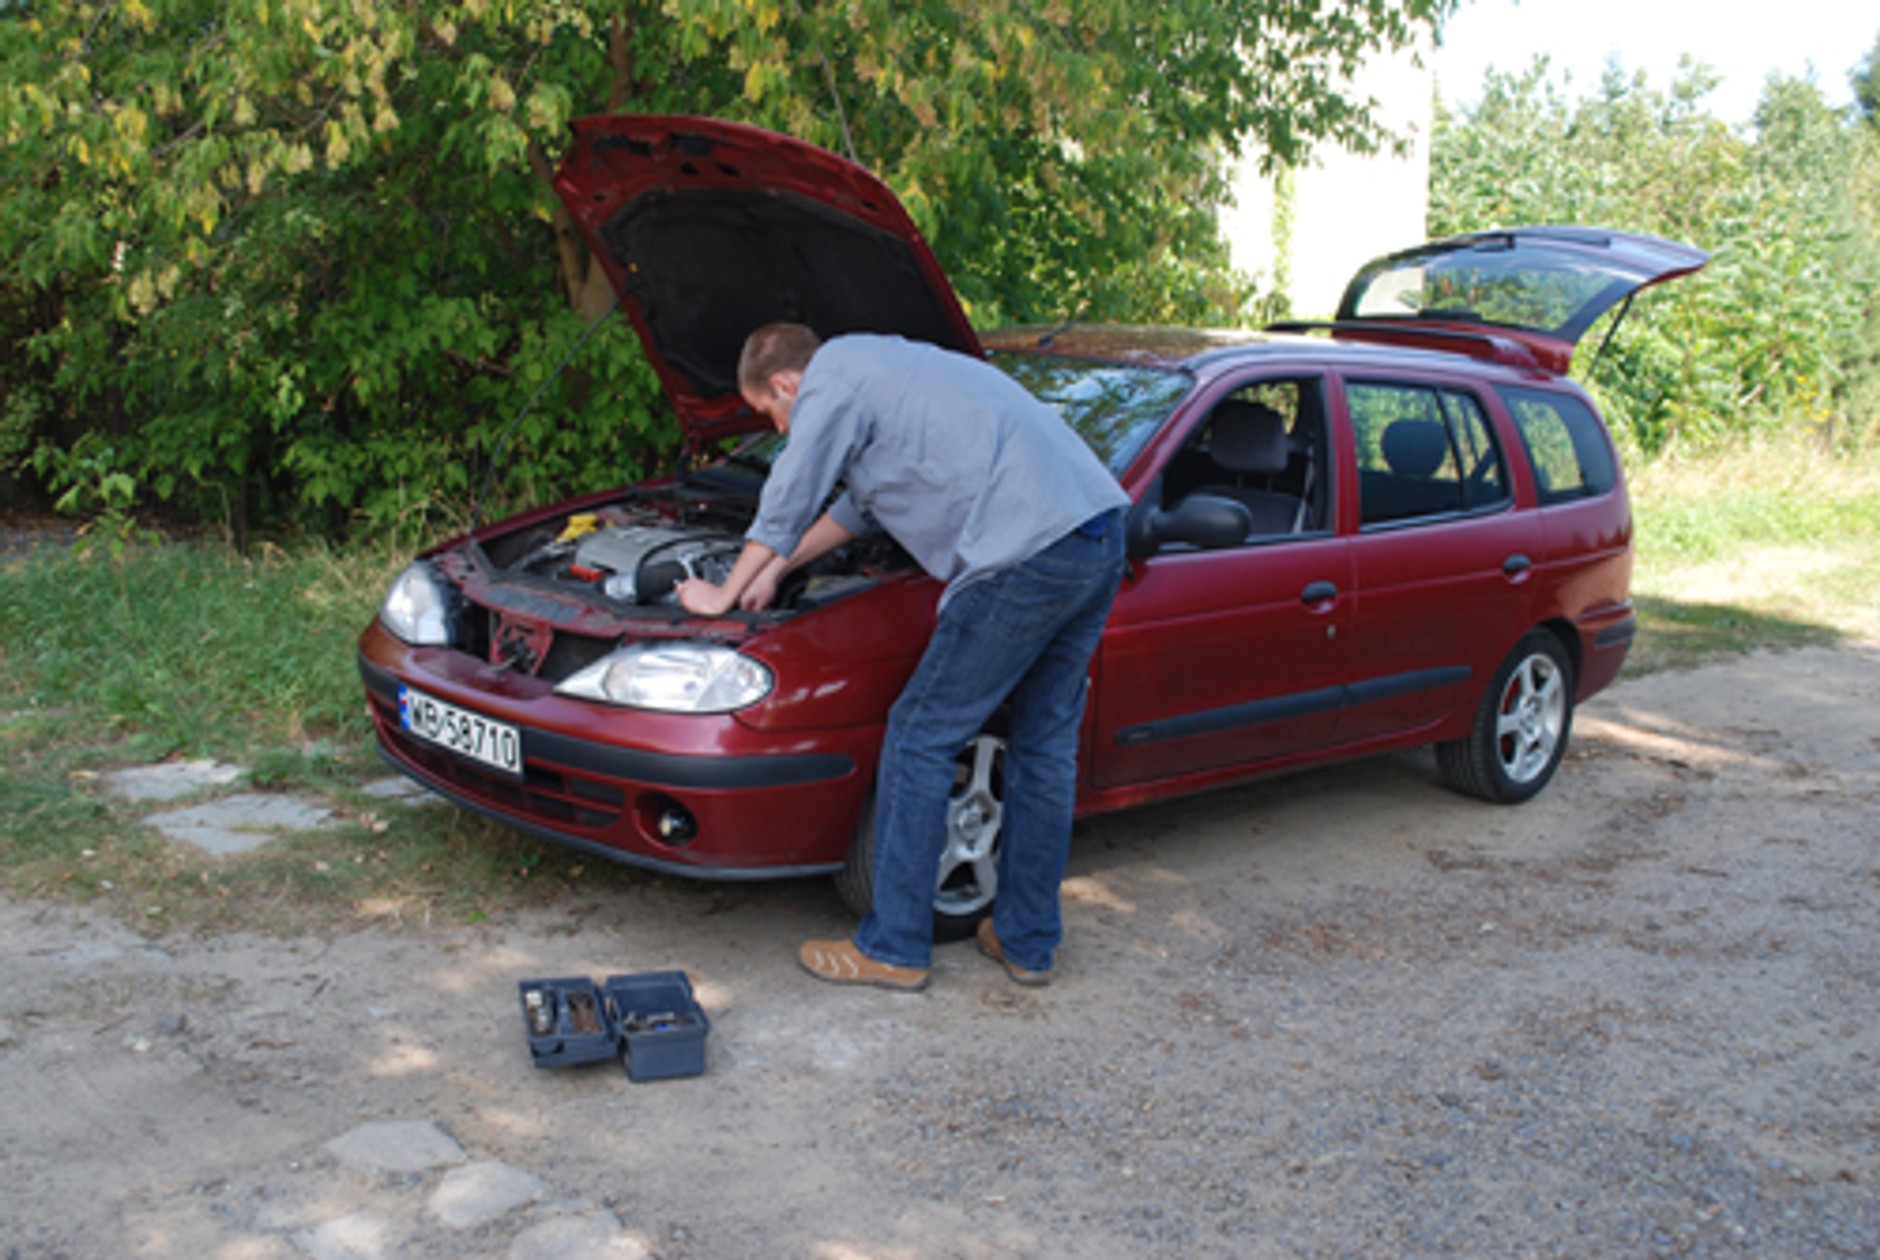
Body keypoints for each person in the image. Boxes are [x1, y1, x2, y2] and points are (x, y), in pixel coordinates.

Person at [677, 323, 1129, 992]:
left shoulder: (828, 382)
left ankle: (893, 946)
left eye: (771, 414)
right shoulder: (886, 365)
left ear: (785, 383)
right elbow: (861, 507)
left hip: (1025, 555)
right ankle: (1026, 939)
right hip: (1096, 534)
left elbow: (790, 494)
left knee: (921, 732)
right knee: (1044, 745)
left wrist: (721, 594)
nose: (777, 427)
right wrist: (770, 572)